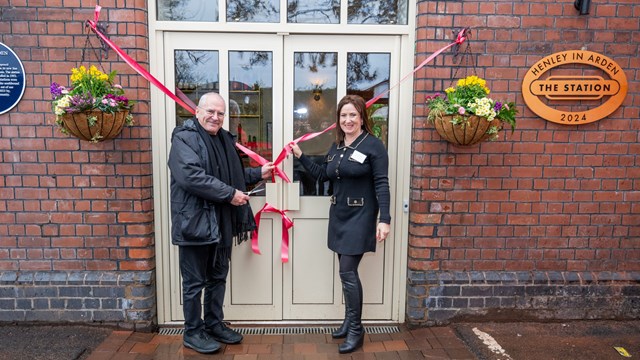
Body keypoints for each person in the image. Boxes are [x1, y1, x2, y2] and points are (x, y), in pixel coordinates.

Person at [168, 92, 274, 354]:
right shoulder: (184, 138)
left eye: (220, 113)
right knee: (194, 283)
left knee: (218, 277)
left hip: (221, 222)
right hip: (195, 222)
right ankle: (193, 332)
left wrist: (256, 173)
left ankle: (214, 324)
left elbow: (232, 176)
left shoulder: (225, 140)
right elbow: (192, 177)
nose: (215, 117)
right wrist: (230, 195)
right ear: (197, 111)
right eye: (210, 111)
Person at [289, 94, 391, 354]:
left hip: (361, 216)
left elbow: (381, 184)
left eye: (353, 115)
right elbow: (323, 175)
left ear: (361, 118)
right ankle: (349, 321)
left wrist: (385, 219)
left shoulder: (373, 146)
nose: (348, 120)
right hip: (339, 215)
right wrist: (300, 155)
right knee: (346, 273)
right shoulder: (337, 147)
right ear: (338, 120)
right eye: (343, 115)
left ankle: (357, 330)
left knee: (347, 272)